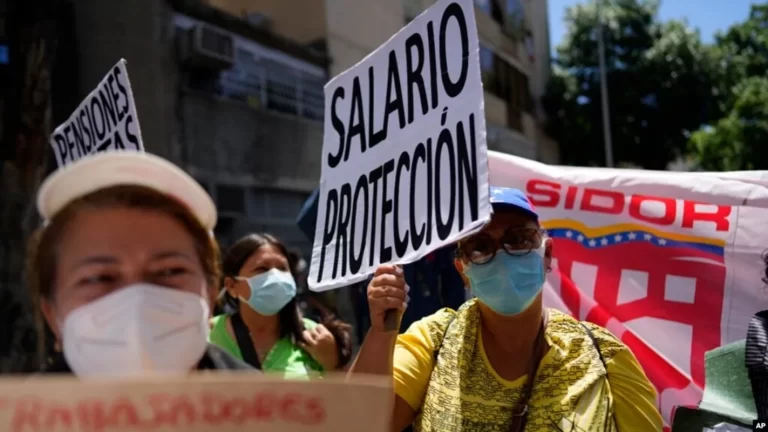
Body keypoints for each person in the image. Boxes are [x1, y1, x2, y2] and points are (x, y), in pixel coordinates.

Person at [349, 186, 663, 431]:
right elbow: (358, 425)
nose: (501, 255)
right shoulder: (434, 340)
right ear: (463, 269)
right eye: (481, 247)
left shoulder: (605, 359)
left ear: (547, 253)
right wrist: (381, 332)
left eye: (519, 239)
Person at [28, 151, 252, 377]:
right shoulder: (10, 412)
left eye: (169, 271)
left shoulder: (277, 407)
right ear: (52, 314)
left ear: (211, 294)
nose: (138, 300)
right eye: (99, 277)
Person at [208, 233, 352, 378]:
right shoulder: (208, 334)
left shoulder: (315, 337)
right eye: (262, 269)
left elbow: (342, 397)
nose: (276, 276)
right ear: (232, 286)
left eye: (282, 268)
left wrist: (332, 364)